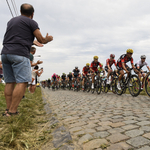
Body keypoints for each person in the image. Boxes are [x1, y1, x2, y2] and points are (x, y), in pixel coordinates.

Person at [1, 3, 53, 116]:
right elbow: (41, 39)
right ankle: (13, 111)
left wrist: (31, 41)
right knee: (22, 82)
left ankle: (8, 110)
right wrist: (48, 39)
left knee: (10, 82)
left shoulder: (11, 21)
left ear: (20, 11)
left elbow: (17, 36)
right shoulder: (31, 22)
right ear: (32, 14)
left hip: (5, 53)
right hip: (19, 54)